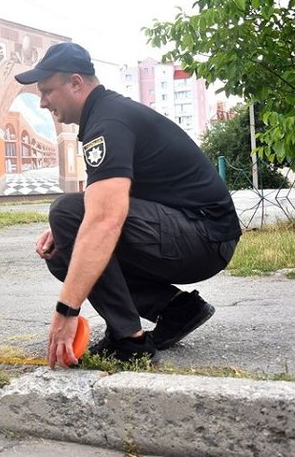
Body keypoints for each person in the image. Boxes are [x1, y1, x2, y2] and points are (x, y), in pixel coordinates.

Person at [14, 42, 241, 368]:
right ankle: (177, 309)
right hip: (197, 234)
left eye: (48, 90)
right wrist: (66, 230)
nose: (43, 101)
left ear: (76, 83)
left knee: (68, 213)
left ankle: (129, 341)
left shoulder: (108, 122)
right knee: (64, 245)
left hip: (204, 236)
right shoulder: (104, 116)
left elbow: (105, 220)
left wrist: (66, 311)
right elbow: (103, 199)